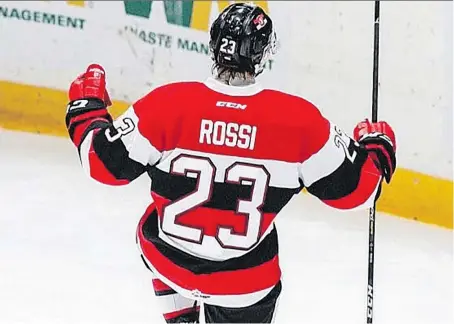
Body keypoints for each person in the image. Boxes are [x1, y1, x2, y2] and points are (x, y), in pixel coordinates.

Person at [65, 3, 396, 323]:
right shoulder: (298, 122)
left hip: (168, 265)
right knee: (259, 238)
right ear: (263, 54)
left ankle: (181, 317)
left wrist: (87, 108)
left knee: (155, 220)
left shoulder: (166, 104)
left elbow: (100, 163)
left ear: (213, 45)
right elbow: (358, 192)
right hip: (244, 288)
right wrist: (376, 149)